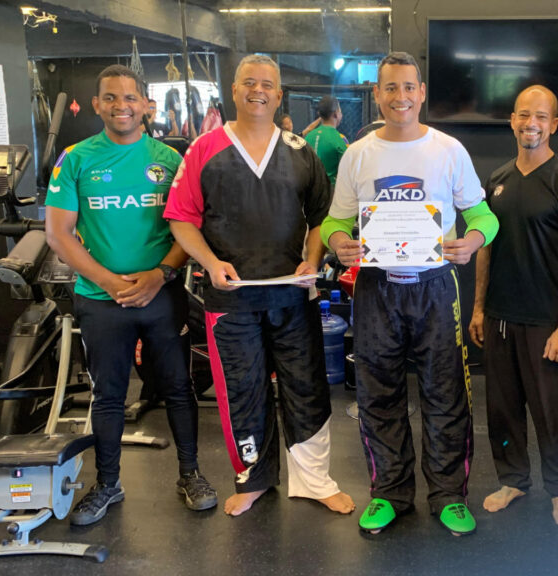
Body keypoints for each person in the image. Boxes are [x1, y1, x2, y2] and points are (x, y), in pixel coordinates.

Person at [164, 54, 355, 518]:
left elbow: (322, 217)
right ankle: (254, 479)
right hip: (231, 298)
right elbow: (181, 219)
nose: (258, 91)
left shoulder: (300, 150)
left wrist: (313, 260)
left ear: (279, 94)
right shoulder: (204, 148)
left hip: (293, 293)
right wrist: (210, 263)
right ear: (233, 90)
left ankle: (314, 481)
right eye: (249, 82)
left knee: (306, 387)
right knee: (242, 390)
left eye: (267, 84)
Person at [322, 51, 499, 537]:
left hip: (436, 287)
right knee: (378, 394)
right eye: (390, 88)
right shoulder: (358, 154)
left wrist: (473, 240)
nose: (399, 96)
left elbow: (484, 215)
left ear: (421, 93)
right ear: (376, 94)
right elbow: (335, 221)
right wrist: (338, 242)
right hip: (377, 288)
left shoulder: (448, 150)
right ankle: (389, 493)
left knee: (446, 393)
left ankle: (448, 495)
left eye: (407, 87)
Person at [45, 64, 217, 526]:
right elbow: (58, 234)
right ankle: (107, 484)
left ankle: (191, 474)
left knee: (178, 387)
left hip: (162, 295)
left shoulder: (171, 159)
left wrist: (161, 274)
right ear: (97, 104)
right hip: (101, 300)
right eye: (110, 97)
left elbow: (190, 227)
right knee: (108, 394)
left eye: (129, 97)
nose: (120, 105)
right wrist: (109, 282)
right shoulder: (76, 158)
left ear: (146, 105)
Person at [469, 86, 558, 527]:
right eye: (524, 115)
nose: (531, 123)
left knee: (551, 412)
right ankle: (513, 480)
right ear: (512, 121)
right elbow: (485, 249)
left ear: (554, 124)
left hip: (546, 321)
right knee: (502, 411)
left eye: (540, 116)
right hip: (500, 316)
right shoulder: (497, 180)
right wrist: (479, 308)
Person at [303, 95, 348, 186]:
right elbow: (347, 170)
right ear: (335, 114)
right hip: (331, 190)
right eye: (340, 111)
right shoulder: (340, 139)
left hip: (309, 190)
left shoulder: (308, 137)